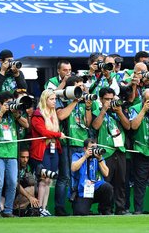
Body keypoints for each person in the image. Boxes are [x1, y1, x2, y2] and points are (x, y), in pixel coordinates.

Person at [55, 76, 92, 216]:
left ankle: (79, 207)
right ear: (71, 88)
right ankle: (59, 207)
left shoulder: (83, 102)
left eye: (83, 86)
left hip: (81, 143)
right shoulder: (62, 99)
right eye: (79, 86)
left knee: (81, 177)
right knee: (65, 177)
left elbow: (88, 124)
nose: (82, 88)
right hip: (67, 144)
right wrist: (75, 101)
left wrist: (87, 107)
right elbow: (62, 116)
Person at [0, 92, 29, 218]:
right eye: (7, 103)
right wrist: (1, 112)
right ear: (0, 103)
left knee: (12, 182)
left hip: (12, 153)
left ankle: (8, 210)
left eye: (11, 102)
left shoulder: (14, 113)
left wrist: (16, 115)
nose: (10, 105)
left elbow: (26, 124)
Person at [91, 87, 130, 215]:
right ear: (101, 99)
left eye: (111, 99)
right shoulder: (96, 110)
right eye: (106, 99)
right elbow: (95, 125)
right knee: (106, 182)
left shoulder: (119, 109)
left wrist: (119, 112)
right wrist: (104, 110)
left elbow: (128, 126)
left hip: (119, 150)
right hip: (105, 151)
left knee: (121, 181)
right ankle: (105, 209)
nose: (109, 101)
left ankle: (120, 208)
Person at [30, 89, 66, 217]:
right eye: (51, 99)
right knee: (43, 179)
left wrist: (56, 136)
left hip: (53, 149)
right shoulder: (37, 114)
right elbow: (43, 132)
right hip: (42, 150)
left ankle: (44, 208)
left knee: (49, 180)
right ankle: (39, 208)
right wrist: (58, 134)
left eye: (55, 99)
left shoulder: (53, 114)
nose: (54, 101)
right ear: (45, 100)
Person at [71, 138, 113, 215]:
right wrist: (85, 157)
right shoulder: (77, 155)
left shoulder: (98, 158)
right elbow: (73, 168)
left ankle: (104, 210)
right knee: (80, 213)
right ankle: (86, 208)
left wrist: (100, 159)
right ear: (85, 149)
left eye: (95, 148)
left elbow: (106, 173)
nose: (94, 150)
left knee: (107, 187)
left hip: (95, 188)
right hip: (82, 190)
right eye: (92, 148)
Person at [14, 148, 40, 216]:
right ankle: (15, 209)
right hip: (5, 195)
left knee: (32, 188)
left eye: (27, 157)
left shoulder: (27, 167)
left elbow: (32, 183)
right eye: (22, 157)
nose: (25, 160)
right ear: (18, 157)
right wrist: (29, 197)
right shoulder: (13, 166)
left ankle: (22, 210)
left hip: (18, 196)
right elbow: (15, 183)